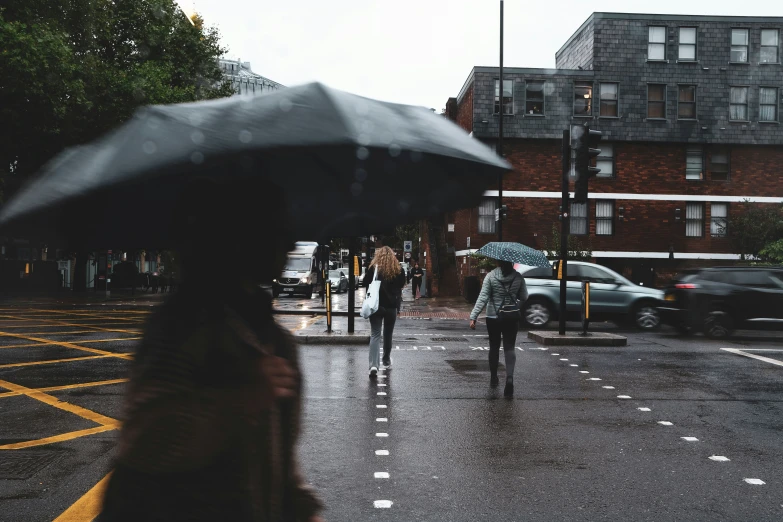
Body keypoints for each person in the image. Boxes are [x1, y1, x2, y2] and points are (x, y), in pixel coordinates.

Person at [98, 179, 323, 522]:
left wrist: (302, 509)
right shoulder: (178, 326)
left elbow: (277, 459)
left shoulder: (275, 338)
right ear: (238, 236)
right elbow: (148, 445)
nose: (289, 242)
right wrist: (243, 398)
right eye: (276, 228)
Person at [469, 260, 528, 397]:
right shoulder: (518, 277)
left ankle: (494, 378)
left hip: (493, 317)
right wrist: (513, 296)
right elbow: (524, 297)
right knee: (509, 347)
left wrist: (474, 316)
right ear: (512, 263)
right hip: (511, 316)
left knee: (494, 346)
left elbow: (483, 297)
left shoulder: (490, 276)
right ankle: (510, 378)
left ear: (498, 263)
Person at [363, 246, 406, 377]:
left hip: (376, 306)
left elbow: (365, 282)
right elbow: (402, 284)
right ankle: (386, 360)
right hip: (391, 307)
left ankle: (373, 366)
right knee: (388, 334)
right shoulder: (398, 269)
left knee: (375, 335)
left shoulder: (373, 269)